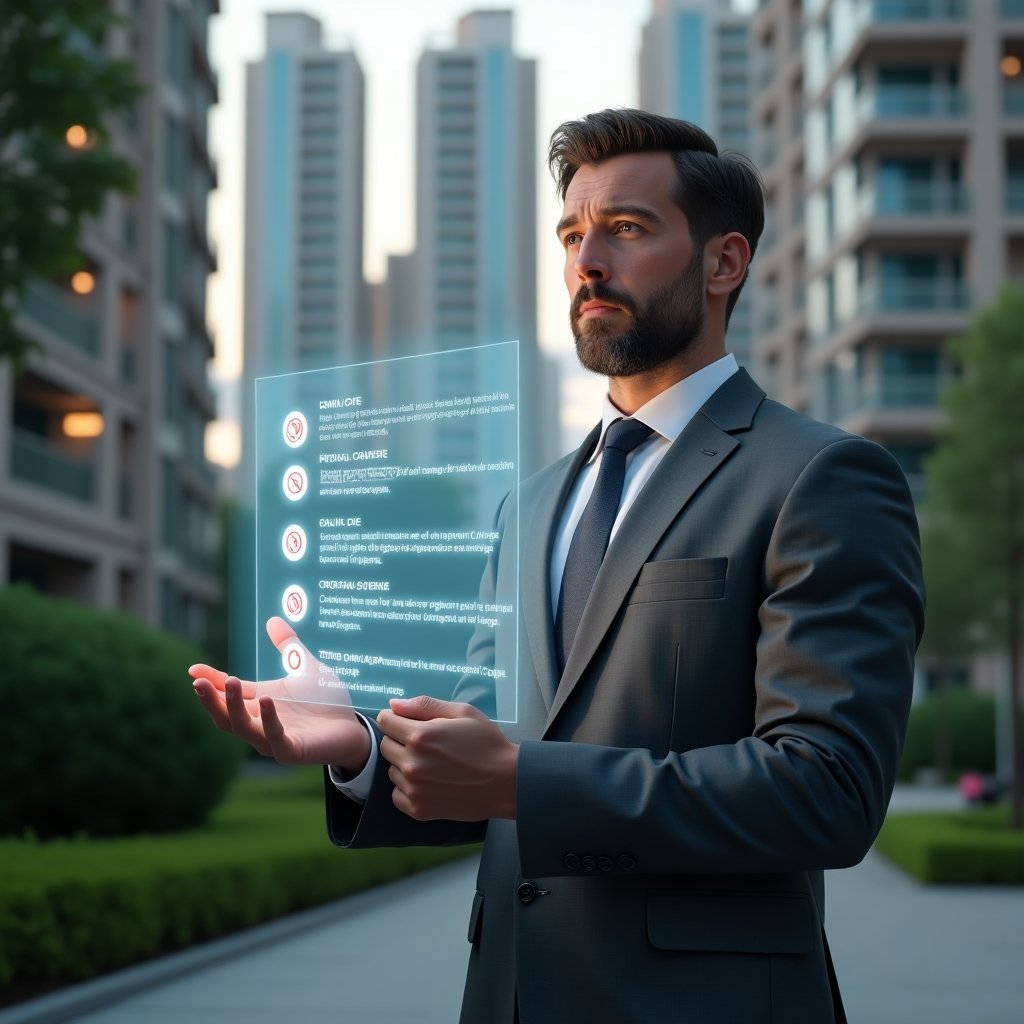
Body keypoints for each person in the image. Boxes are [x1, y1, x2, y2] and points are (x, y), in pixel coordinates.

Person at [191, 109, 925, 1024]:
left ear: (724, 263)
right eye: (572, 235)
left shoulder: (821, 477)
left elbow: (827, 789)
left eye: (627, 228)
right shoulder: (531, 504)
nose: (587, 263)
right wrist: (361, 746)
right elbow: (493, 742)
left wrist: (520, 781)